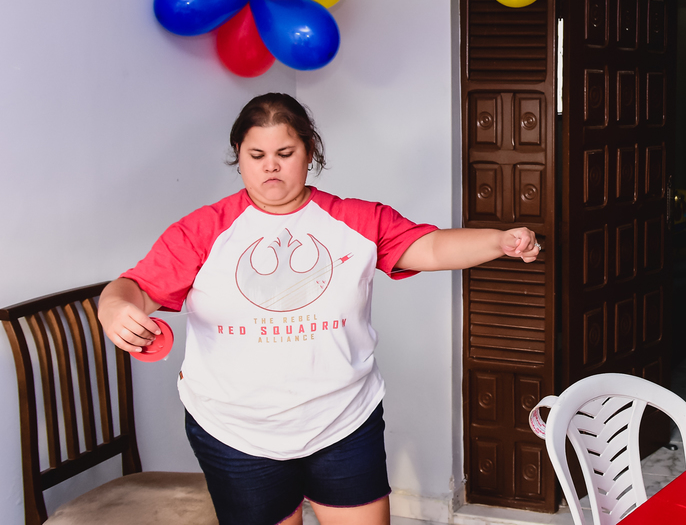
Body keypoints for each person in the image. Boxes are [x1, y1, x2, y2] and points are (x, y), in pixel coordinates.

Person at [98, 93, 538, 525]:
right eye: (257, 155)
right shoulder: (201, 230)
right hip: (236, 431)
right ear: (239, 155)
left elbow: (433, 246)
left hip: (344, 422)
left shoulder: (358, 220)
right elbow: (135, 287)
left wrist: (498, 241)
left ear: (309, 152)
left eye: (285, 153)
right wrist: (115, 308)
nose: (270, 166)